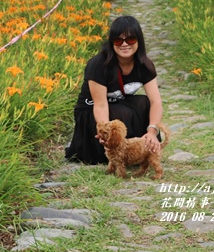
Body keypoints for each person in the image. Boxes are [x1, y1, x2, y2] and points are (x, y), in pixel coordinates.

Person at [65, 15, 164, 164]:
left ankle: (143, 146)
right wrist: (105, 132)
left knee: (143, 102)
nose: (124, 44)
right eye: (118, 40)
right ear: (111, 42)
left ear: (139, 41)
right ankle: (116, 152)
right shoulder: (98, 64)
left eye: (130, 39)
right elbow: (100, 105)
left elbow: (156, 101)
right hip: (92, 110)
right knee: (121, 115)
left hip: (118, 104)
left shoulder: (144, 65)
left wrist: (152, 131)